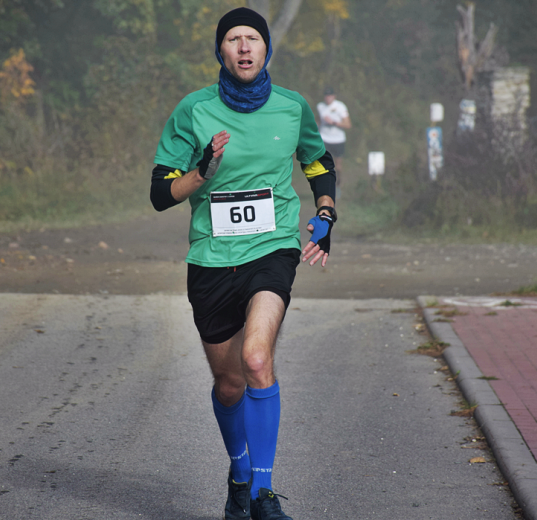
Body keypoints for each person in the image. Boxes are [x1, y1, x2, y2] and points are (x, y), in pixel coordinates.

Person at [149, 7, 337, 520]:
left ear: (266, 48)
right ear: (221, 52)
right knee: (229, 383)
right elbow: (161, 193)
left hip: (272, 248)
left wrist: (325, 213)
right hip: (210, 257)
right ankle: (238, 471)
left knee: (257, 359)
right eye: (233, 39)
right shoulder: (193, 110)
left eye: (253, 37)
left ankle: (261, 493)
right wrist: (201, 171)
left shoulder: (292, 107)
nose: (244, 46)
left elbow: (318, 162)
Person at [316, 87, 351, 194]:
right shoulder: (320, 106)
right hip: (324, 139)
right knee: (325, 164)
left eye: (330, 96)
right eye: (326, 96)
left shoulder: (340, 107)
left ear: (334, 96)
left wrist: (334, 122)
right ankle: (325, 187)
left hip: (338, 140)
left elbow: (348, 124)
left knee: (338, 166)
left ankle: (338, 185)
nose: (328, 98)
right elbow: (318, 121)